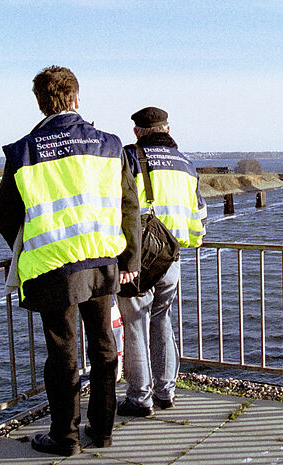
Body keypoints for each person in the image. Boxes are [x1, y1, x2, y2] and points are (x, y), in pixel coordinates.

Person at [0, 66, 141, 456]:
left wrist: (29, 245)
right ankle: (104, 429)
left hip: (51, 266)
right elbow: (129, 206)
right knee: (104, 345)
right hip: (100, 260)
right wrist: (130, 258)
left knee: (63, 353)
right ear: (77, 100)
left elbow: (5, 213)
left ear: (41, 103)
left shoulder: (24, 151)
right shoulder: (110, 145)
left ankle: (66, 437)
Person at [117, 106, 206, 417]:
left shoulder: (129, 158)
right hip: (172, 257)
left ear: (137, 132)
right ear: (167, 130)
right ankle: (166, 391)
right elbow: (198, 218)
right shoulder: (187, 164)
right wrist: (186, 241)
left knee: (136, 327)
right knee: (162, 321)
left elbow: (119, 206)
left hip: (138, 257)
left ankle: (139, 399)